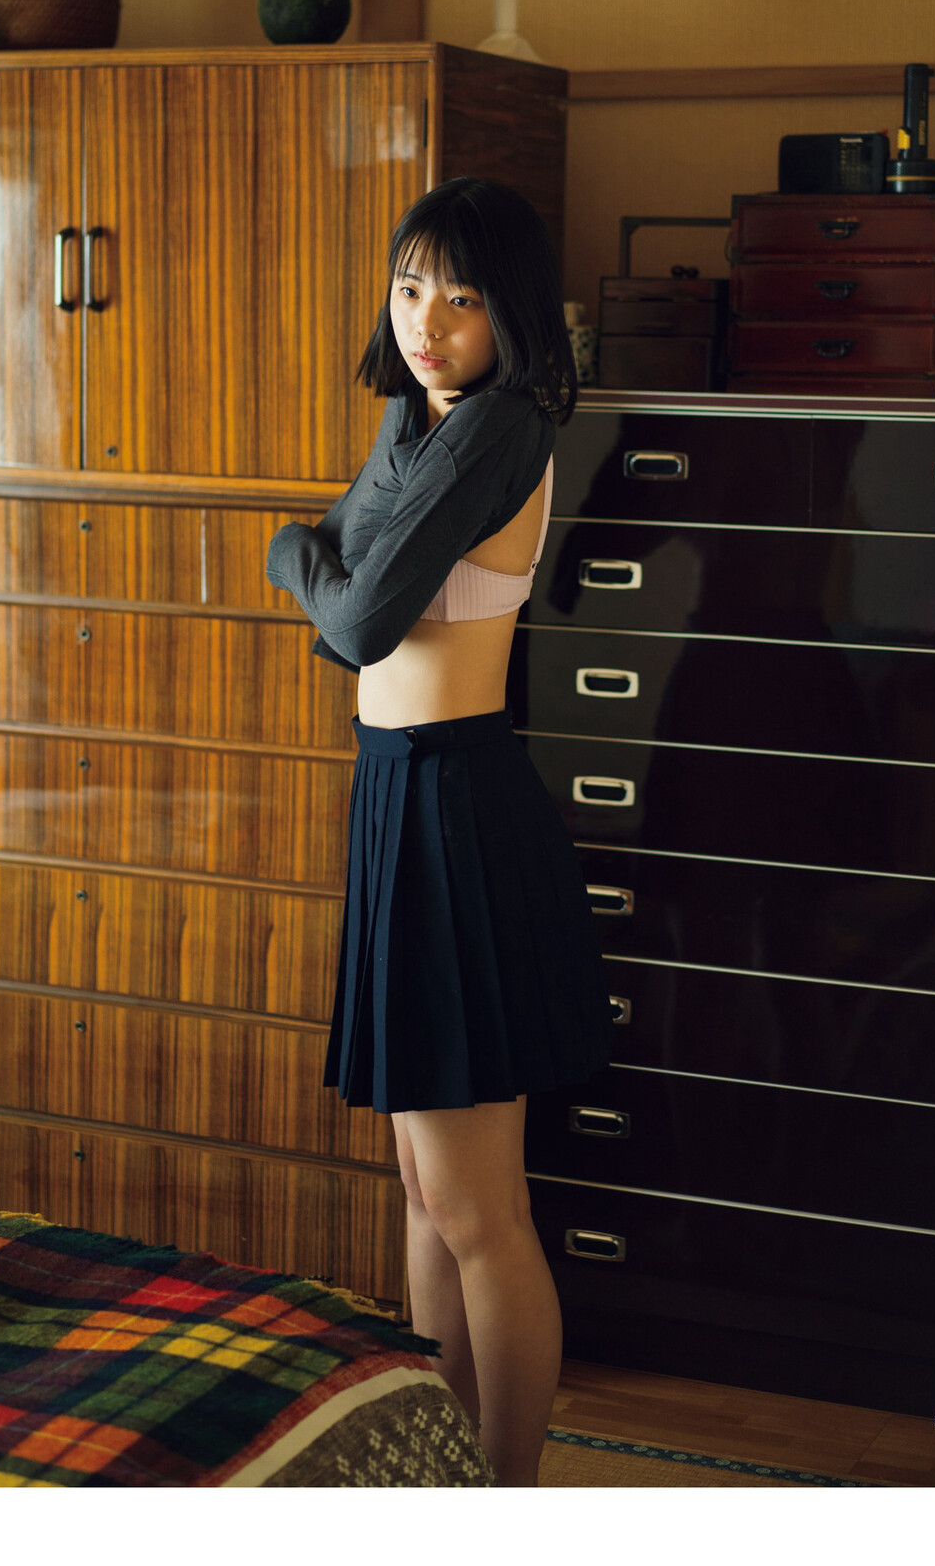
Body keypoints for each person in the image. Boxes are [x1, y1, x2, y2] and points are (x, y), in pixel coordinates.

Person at [266, 175, 615, 1486]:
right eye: (411, 287)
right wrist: (327, 561)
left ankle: (502, 1497)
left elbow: (352, 617)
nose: (427, 322)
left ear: (509, 314)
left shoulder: (496, 428)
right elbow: (350, 584)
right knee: (423, 1196)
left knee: (478, 1211)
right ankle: (441, 1473)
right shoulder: (422, 420)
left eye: (461, 298)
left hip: (456, 802)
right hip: (398, 795)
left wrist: (293, 553)